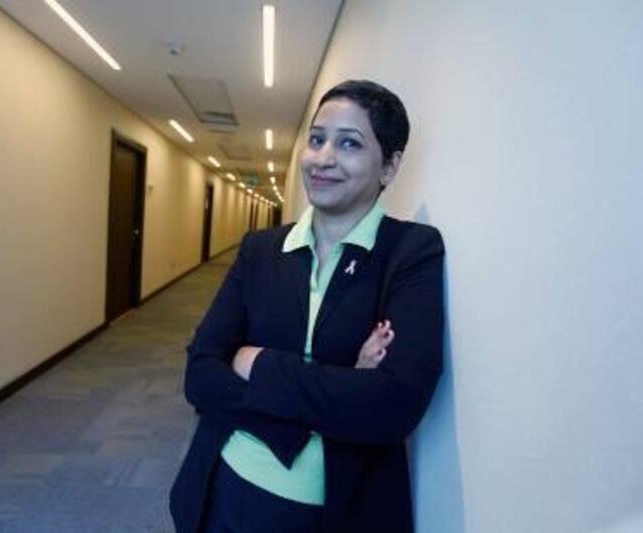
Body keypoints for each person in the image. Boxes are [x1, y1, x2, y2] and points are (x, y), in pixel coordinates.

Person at [170, 80, 445, 533]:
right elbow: (200, 375)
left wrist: (255, 362)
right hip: (222, 484)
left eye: (349, 143)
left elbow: (394, 406)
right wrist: (344, 384)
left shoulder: (410, 252)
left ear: (390, 166)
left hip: (334, 508)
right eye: (317, 139)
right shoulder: (261, 250)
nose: (323, 158)